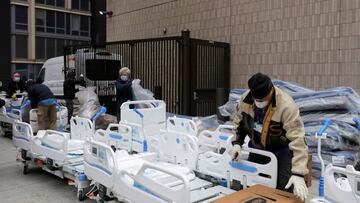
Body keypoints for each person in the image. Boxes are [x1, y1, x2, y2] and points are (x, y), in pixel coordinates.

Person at [231, 73, 309, 201]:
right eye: (257, 100)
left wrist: (298, 173)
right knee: (253, 184)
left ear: (271, 89)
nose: (259, 103)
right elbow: (239, 122)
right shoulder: (246, 99)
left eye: (262, 100)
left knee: (284, 188)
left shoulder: (286, 106)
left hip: (281, 150)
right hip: (257, 147)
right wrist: (237, 143)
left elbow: (298, 140)